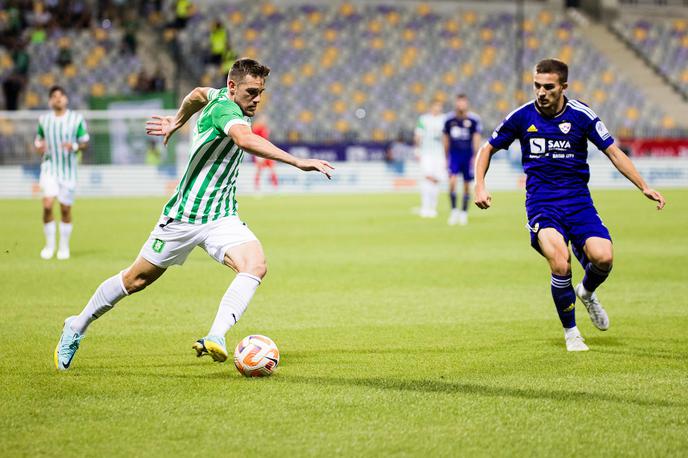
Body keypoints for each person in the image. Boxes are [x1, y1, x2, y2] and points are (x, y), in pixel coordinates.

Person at [53, 58, 334, 370]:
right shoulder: (226, 110)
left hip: (222, 217)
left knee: (255, 264)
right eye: (251, 92)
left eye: (261, 92)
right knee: (135, 280)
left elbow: (197, 93)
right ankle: (76, 325)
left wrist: (178, 120)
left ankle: (216, 335)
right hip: (183, 216)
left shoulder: (216, 97)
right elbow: (244, 140)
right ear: (232, 87)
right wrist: (297, 161)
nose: (257, 99)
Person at [474, 58, 665, 352]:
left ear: (563, 86)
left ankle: (587, 292)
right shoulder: (522, 117)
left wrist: (644, 186)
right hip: (542, 204)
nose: (541, 92)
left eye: (548, 87)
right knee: (560, 261)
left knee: (603, 258)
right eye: (537, 86)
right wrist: (480, 185)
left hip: (578, 202)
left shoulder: (581, 115)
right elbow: (487, 149)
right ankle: (572, 332)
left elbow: (613, 152)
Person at [35, 85, 90, 260]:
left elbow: (84, 142)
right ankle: (49, 246)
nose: (58, 98)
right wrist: (39, 146)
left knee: (65, 209)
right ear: (50, 100)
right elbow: (38, 141)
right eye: (54, 96)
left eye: (61, 95)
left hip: (68, 170)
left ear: (66, 99)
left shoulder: (76, 119)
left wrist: (73, 146)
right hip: (50, 167)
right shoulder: (44, 120)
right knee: (47, 204)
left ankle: (63, 247)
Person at [443, 94, 482, 226]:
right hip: (454, 155)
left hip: (467, 155)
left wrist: (475, 156)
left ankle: (464, 213)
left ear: (466, 104)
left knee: (466, 185)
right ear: (456, 103)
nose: (461, 105)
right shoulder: (449, 120)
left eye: (463, 102)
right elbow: (446, 139)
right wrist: (446, 156)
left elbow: (476, 138)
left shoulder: (474, 120)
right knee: (452, 182)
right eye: (459, 102)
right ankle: (454, 211)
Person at [414, 99, 447, 218]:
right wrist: (417, 149)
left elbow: (446, 137)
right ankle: (425, 207)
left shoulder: (445, 119)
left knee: (436, 180)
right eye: (436, 106)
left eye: (440, 107)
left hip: (440, 153)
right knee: (427, 178)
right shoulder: (423, 119)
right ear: (431, 107)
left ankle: (433, 207)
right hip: (426, 153)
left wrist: (447, 153)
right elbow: (418, 135)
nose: (438, 109)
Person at [252, 114, 278, 192]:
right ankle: (257, 187)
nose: (265, 121)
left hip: (266, 150)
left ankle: (275, 187)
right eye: (263, 119)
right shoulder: (256, 128)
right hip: (260, 151)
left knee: (272, 168)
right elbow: (254, 139)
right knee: (259, 169)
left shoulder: (264, 127)